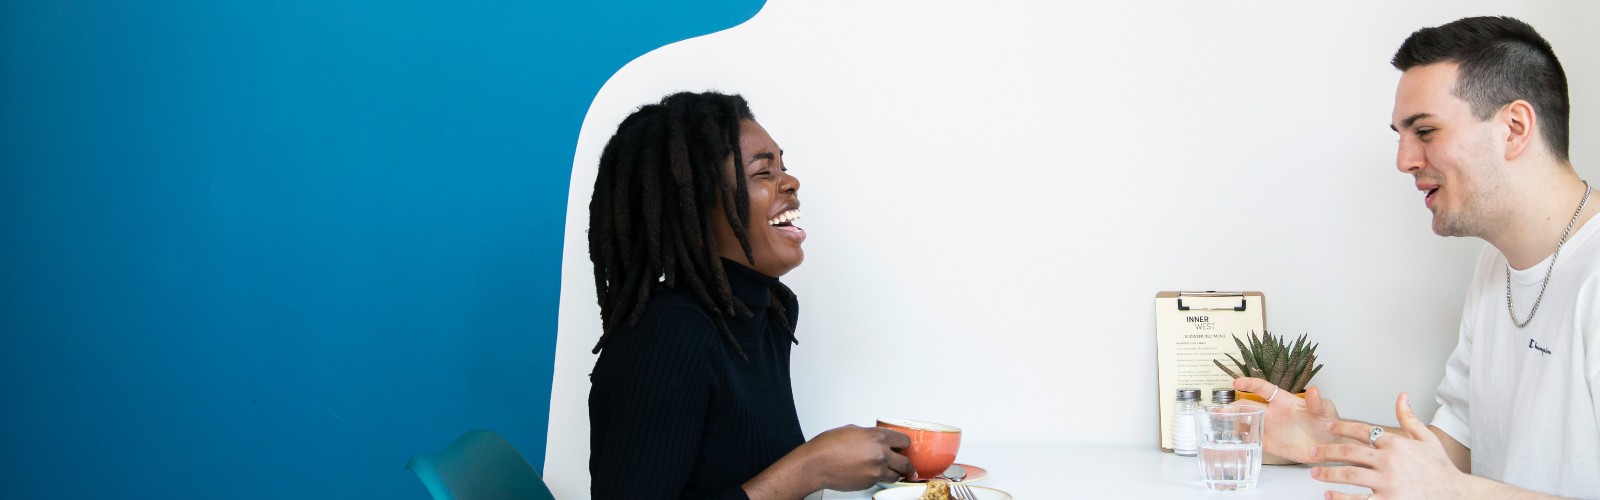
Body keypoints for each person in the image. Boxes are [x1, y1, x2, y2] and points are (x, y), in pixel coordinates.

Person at [1235, 16, 1598, 499]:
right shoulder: (1495, 267)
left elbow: (1449, 485)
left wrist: (1454, 494)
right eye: (1401, 135)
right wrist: (1330, 440)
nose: (1404, 159)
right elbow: (1457, 447)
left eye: (1425, 131)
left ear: (1514, 128)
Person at [585, 91, 913, 499]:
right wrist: (812, 466)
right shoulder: (667, 338)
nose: (790, 182)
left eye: (783, 167)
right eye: (763, 172)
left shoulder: (771, 312)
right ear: (700, 202)